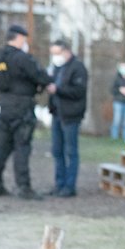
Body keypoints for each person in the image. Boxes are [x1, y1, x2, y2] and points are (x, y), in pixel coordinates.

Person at [0, 24, 54, 200]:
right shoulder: (22, 58)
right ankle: (23, 187)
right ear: (18, 38)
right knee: (22, 147)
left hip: (4, 105)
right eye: (24, 39)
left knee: (1, 147)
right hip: (22, 106)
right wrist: (46, 83)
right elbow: (41, 76)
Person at [47, 39, 89, 197]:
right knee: (57, 151)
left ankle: (70, 186)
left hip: (71, 115)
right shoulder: (58, 68)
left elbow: (78, 91)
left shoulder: (78, 68)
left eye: (57, 53)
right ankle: (59, 184)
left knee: (71, 151)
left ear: (66, 51)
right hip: (57, 114)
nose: (55, 57)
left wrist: (58, 89)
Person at [110, 62, 125, 140]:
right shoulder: (116, 79)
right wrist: (120, 90)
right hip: (118, 102)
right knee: (117, 120)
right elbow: (112, 90)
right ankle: (114, 137)